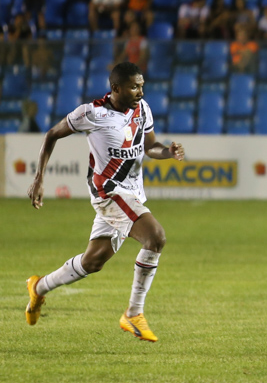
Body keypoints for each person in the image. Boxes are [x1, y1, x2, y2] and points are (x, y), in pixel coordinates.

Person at [25, 62, 185, 343]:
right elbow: (52, 134)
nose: (141, 91)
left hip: (131, 195)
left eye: (142, 85)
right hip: (110, 192)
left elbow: (150, 148)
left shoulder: (143, 109)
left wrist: (168, 152)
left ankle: (39, 287)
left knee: (93, 262)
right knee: (156, 238)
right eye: (135, 86)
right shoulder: (92, 113)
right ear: (115, 88)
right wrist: (39, 178)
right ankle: (133, 313)